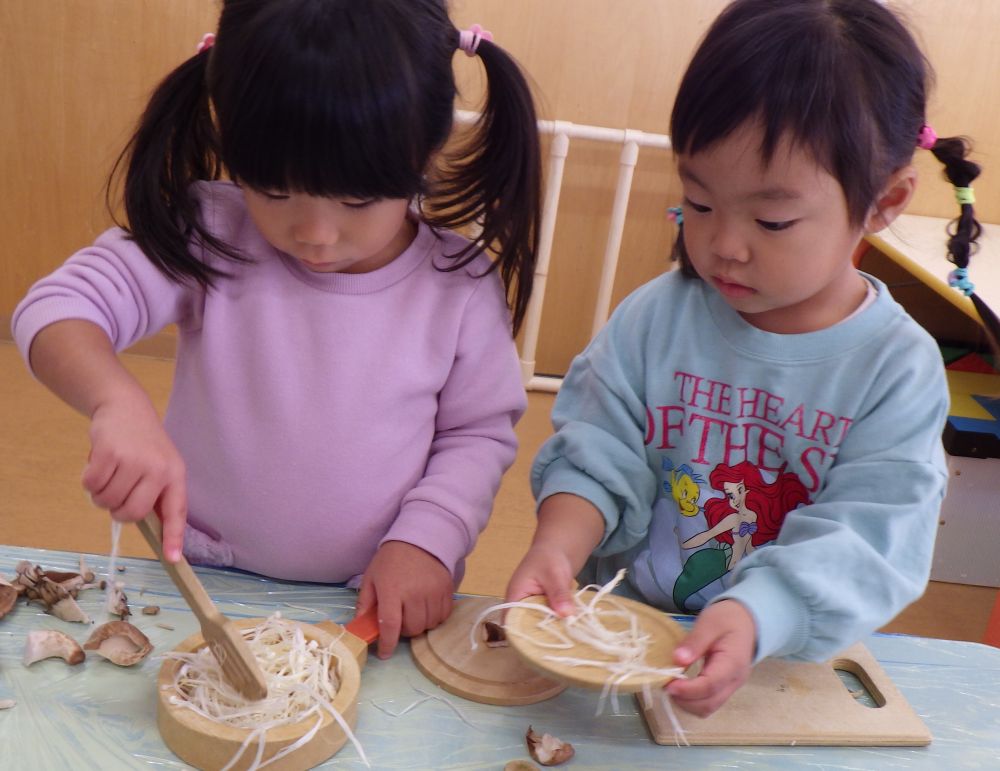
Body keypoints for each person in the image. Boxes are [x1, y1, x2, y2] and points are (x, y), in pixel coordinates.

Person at [12, 0, 542, 659]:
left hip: (370, 603)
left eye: (356, 200)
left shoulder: (458, 285)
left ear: (425, 149)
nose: (315, 234)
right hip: (200, 585)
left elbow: (476, 432)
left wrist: (427, 539)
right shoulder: (211, 230)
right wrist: (115, 402)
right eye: (273, 190)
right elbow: (57, 307)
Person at [506, 0, 984, 717]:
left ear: (883, 201)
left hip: (776, 662)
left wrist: (761, 612)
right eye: (698, 202)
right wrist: (559, 539)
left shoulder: (896, 368)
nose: (724, 244)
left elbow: (867, 533)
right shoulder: (654, 317)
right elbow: (599, 449)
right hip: (630, 635)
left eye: (771, 219)